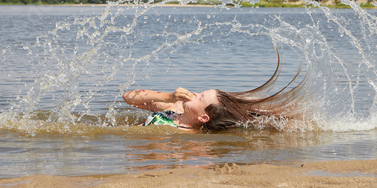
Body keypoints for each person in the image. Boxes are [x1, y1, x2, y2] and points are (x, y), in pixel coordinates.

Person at [122, 46, 307, 131]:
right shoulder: (174, 109)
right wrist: (168, 96)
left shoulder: (186, 135)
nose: (194, 94)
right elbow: (128, 97)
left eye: (200, 97)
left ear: (203, 117)